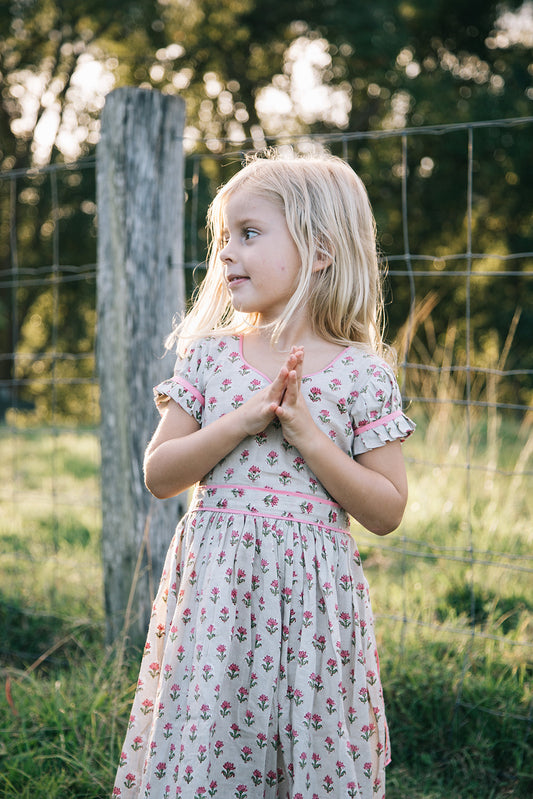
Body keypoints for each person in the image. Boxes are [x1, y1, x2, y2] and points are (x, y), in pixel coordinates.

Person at [112, 150, 415, 799]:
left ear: (320, 250)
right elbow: (159, 474)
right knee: (214, 744)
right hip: (217, 600)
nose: (226, 253)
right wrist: (238, 423)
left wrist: (308, 436)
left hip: (312, 610)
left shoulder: (361, 374)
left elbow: (387, 510)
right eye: (223, 237)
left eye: (248, 233)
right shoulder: (211, 358)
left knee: (298, 746)